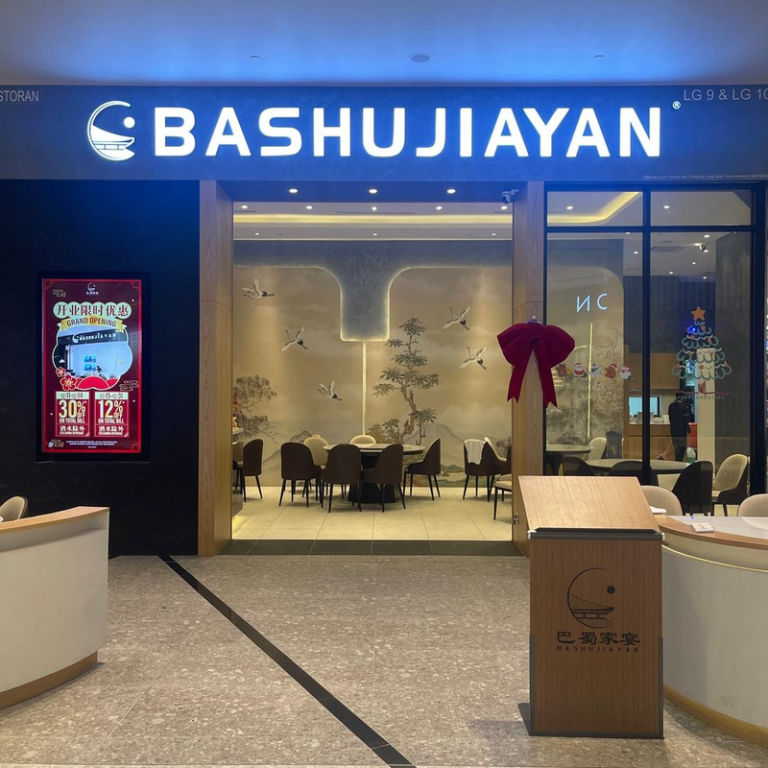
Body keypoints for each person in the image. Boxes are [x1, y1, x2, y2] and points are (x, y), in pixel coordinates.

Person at [668, 392, 692, 461]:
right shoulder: (684, 406)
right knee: (682, 447)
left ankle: (677, 459)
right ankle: (680, 460)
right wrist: (688, 429)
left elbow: (670, 417)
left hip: (673, 429)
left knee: (676, 447)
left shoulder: (671, 405)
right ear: (680, 397)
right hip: (682, 430)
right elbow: (686, 419)